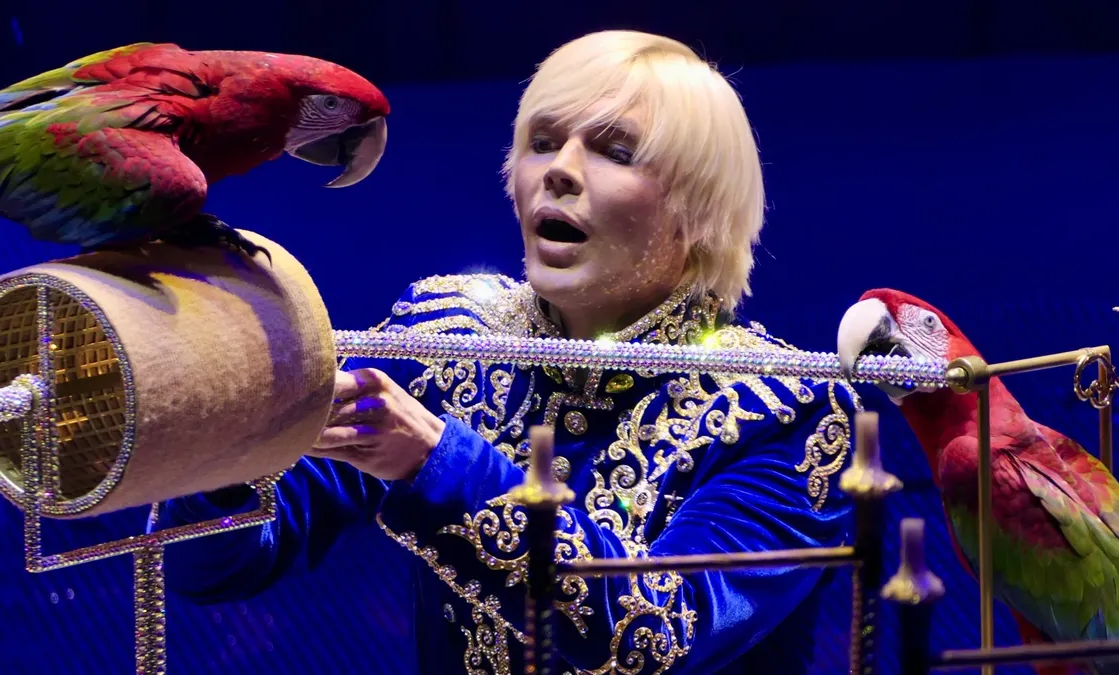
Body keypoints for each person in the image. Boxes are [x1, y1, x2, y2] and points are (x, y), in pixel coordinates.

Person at [159, 29, 862, 674]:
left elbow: (656, 637)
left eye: (616, 152)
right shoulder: (446, 333)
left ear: (698, 211)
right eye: (543, 142)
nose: (561, 170)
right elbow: (221, 565)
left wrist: (437, 462)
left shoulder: (788, 410)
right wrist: (220, 445)